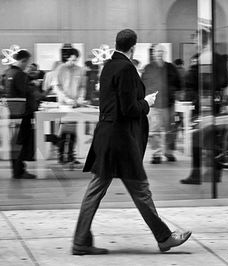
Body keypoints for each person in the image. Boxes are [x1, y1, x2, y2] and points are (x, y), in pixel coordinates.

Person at [72, 29, 191, 255]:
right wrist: (146, 102)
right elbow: (129, 109)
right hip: (121, 140)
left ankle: (80, 241)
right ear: (133, 47)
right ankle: (164, 238)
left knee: (97, 190)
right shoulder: (126, 68)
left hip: (107, 136)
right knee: (140, 190)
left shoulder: (108, 66)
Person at [180, 29, 228, 185]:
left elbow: (222, 81)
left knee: (201, 138)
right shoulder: (207, 58)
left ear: (204, 41)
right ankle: (212, 172)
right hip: (206, 104)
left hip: (207, 105)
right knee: (209, 138)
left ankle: (201, 173)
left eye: (197, 41)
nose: (195, 44)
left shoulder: (209, 59)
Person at [142, 44, 182, 164]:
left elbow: (178, 83)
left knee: (171, 129)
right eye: (156, 51)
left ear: (164, 53)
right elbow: (142, 85)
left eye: (161, 51)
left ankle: (169, 152)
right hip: (154, 105)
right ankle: (156, 154)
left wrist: (176, 94)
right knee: (154, 130)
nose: (159, 53)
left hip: (169, 104)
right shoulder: (148, 68)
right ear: (153, 53)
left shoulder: (171, 67)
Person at [3, 50, 37, 179]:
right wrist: (32, 86)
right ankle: (19, 171)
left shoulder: (6, 73)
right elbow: (26, 92)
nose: (27, 66)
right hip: (22, 114)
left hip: (10, 114)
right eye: (27, 63)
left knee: (14, 142)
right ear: (23, 61)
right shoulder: (20, 75)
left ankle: (17, 170)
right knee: (22, 142)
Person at [54, 48, 86, 165]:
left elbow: (82, 86)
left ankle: (71, 155)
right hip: (64, 104)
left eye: (75, 60)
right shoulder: (60, 69)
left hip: (76, 104)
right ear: (67, 58)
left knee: (73, 130)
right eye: (71, 60)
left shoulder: (80, 70)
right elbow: (57, 86)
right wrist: (65, 99)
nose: (73, 62)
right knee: (64, 129)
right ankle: (62, 155)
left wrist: (80, 97)